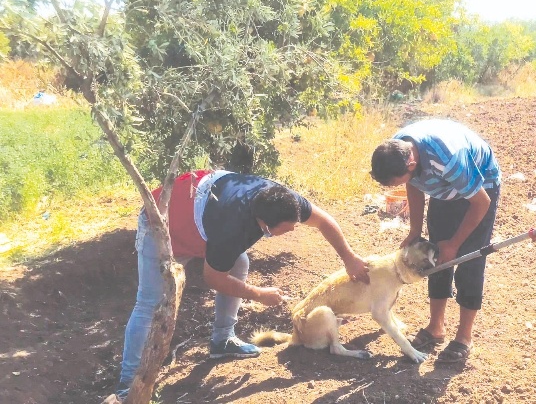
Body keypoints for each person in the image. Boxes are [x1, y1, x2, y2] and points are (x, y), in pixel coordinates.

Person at [115, 170, 369, 398]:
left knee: (239, 263)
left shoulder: (282, 200)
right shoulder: (232, 228)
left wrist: (349, 259)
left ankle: (222, 340)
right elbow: (213, 278)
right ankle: (128, 384)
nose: (293, 230)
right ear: (264, 225)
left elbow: (324, 221)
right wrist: (259, 294)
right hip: (162, 223)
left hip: (203, 216)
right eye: (287, 228)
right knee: (150, 302)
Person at [370, 119, 501, 363]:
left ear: (412, 163)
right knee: (435, 257)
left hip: (481, 188)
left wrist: (454, 244)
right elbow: (414, 185)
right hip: (444, 190)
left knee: (470, 261)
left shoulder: (448, 160)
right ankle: (435, 327)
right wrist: (415, 231)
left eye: (396, 181)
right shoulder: (398, 148)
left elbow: (481, 203)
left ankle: (464, 337)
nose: (397, 185)